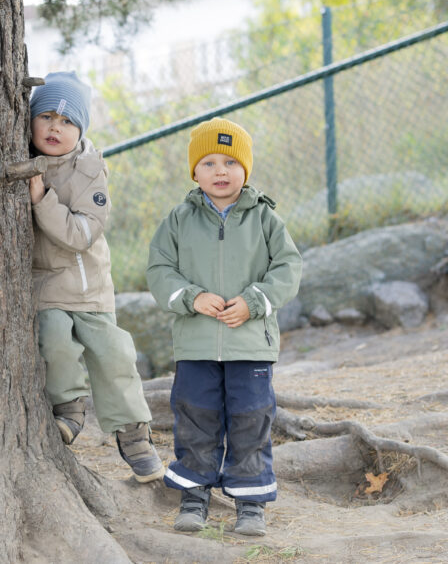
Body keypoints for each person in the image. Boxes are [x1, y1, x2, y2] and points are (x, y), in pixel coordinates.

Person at [146, 117, 302, 537]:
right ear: (194, 171)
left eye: (231, 163)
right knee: (195, 417)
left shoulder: (265, 218)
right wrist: (192, 298)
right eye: (210, 162)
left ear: (245, 171)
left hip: (250, 343)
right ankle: (195, 496)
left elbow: (288, 267)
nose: (220, 171)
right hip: (196, 344)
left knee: (251, 418)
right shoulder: (178, 220)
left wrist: (254, 303)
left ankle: (250, 502)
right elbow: (160, 268)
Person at [28, 71, 165, 483]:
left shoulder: (89, 170)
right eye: (47, 116)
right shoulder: (24, 162)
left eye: (68, 122)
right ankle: (68, 408)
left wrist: (41, 200)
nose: (55, 127)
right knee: (53, 340)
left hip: (88, 288)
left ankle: (134, 434)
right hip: (46, 287)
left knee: (114, 356)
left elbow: (81, 233)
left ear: (81, 129)